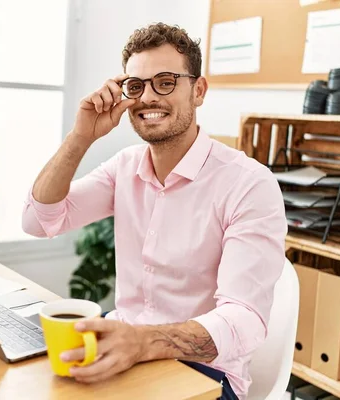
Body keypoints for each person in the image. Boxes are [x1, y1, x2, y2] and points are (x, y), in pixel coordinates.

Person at [21, 22, 286, 400]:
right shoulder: (124, 167)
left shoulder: (249, 184)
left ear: (198, 90)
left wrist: (144, 343)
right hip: (128, 350)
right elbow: (39, 220)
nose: (147, 98)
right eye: (136, 85)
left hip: (204, 375)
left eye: (165, 81)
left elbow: (244, 321)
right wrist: (81, 136)